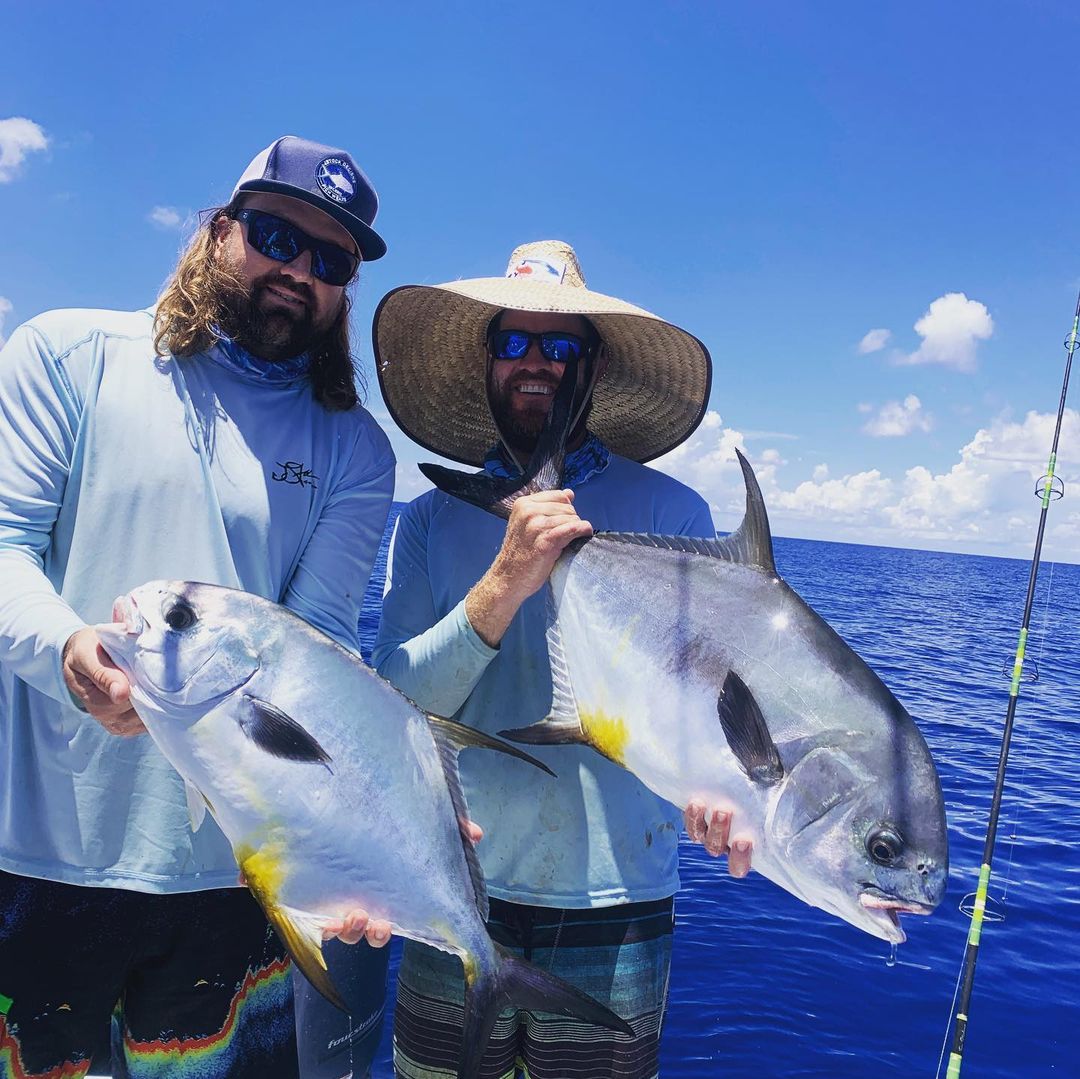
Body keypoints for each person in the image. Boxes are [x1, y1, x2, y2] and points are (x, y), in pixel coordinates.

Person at [0, 135, 395, 1079]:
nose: (298, 270)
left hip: (238, 879)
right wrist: (67, 650)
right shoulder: (67, 353)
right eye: (273, 235)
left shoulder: (358, 451)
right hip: (38, 862)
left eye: (330, 260)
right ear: (218, 233)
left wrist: (362, 829)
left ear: (345, 289)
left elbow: (322, 653)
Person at [370, 240, 753, 1079]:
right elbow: (389, 704)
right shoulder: (431, 520)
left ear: (594, 364)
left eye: (560, 345)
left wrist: (728, 798)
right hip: (453, 891)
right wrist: (506, 578)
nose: (534, 362)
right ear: (487, 360)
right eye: (514, 342)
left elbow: (715, 708)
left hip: (614, 904)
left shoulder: (676, 515)